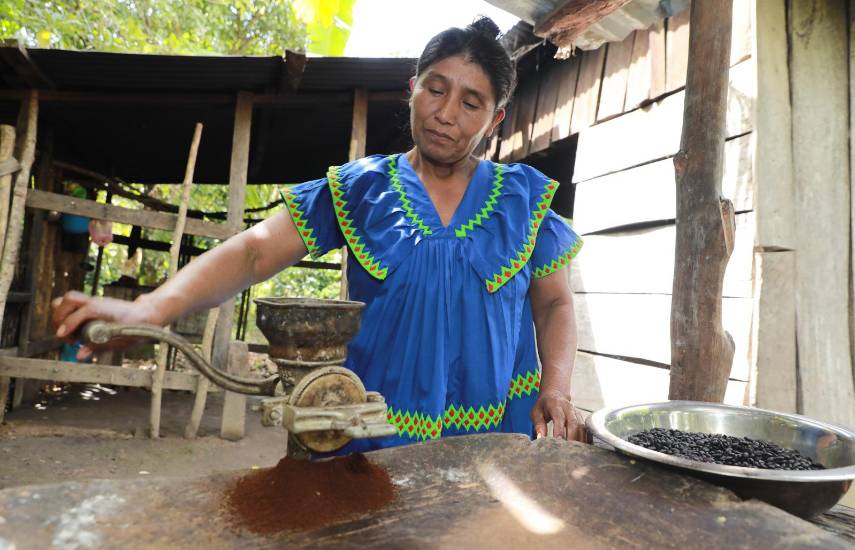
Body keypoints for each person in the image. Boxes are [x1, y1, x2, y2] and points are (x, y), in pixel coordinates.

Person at [51, 17, 586, 452]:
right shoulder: (361, 188)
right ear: (412, 90)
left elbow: (555, 304)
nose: (446, 114)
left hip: (494, 441)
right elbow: (256, 251)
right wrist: (151, 308)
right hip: (371, 436)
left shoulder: (524, 200)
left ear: (495, 119)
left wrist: (557, 388)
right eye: (435, 89)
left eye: (470, 103)